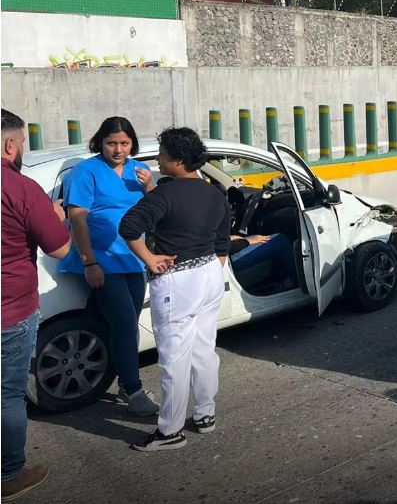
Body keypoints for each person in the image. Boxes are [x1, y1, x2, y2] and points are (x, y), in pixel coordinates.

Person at [119, 128, 230, 452]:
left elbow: (128, 227)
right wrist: (211, 265)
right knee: (204, 350)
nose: (157, 158)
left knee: (173, 359)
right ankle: (205, 415)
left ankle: (170, 432)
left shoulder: (163, 195)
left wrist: (151, 259)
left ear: (178, 161)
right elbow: (223, 237)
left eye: (162, 153)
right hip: (209, 274)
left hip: (177, 280)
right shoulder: (214, 192)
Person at [59, 117, 160, 417]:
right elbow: (77, 217)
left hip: (133, 258)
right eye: (112, 143)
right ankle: (132, 387)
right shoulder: (85, 172)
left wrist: (150, 187)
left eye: (125, 143)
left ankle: (126, 382)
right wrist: (90, 262)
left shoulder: (137, 171)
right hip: (103, 259)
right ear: (99, 142)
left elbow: (156, 211)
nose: (118, 149)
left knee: (127, 324)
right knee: (124, 324)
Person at [1, 109, 71, 500]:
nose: (23, 148)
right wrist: (58, 216)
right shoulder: (22, 188)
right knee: (7, 394)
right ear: (11, 145)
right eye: (24, 142)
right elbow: (59, 248)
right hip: (10, 309)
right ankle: (9, 473)